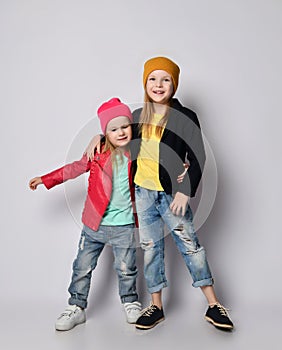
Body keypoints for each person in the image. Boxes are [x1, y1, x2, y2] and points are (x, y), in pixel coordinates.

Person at [85, 57, 234, 331]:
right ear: (145, 82)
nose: (159, 84)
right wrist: (98, 137)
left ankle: (214, 305)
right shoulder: (137, 116)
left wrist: (185, 190)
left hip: (171, 195)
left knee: (190, 245)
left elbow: (198, 156)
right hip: (143, 193)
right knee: (151, 249)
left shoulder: (185, 116)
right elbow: (117, 133)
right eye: (153, 78)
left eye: (166, 79)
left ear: (174, 85)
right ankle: (156, 305)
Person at [29, 98, 142, 331]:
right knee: (82, 267)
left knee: (126, 268)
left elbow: (152, 131)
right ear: (105, 132)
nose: (120, 132)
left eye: (125, 126)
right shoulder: (97, 153)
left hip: (125, 225)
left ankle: (130, 301)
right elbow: (74, 169)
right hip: (94, 225)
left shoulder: (138, 151)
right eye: (113, 129)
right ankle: (76, 307)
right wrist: (46, 179)